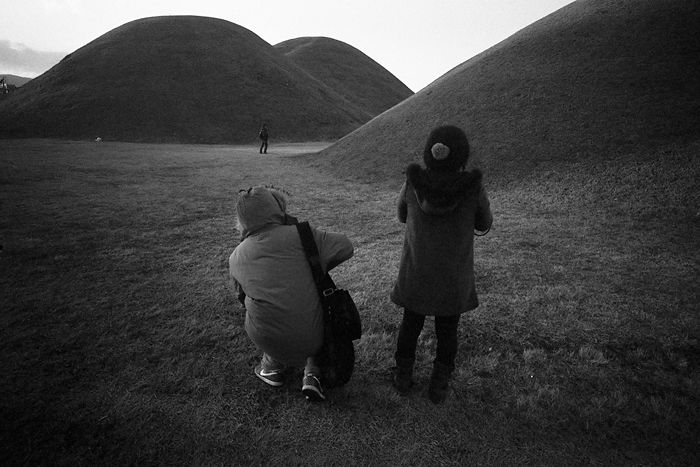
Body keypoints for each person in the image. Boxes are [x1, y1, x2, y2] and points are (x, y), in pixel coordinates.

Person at [390, 125, 493, 404]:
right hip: (452, 276)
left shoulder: (413, 182)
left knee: (410, 324)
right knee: (448, 331)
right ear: (461, 154)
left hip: (417, 270)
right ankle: (438, 386)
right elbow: (484, 222)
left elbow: (401, 215)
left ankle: (402, 377)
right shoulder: (473, 186)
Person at [229, 186, 354, 401]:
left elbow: (241, 297)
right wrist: (316, 267)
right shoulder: (303, 235)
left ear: (242, 220)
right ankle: (313, 372)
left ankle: (270, 367)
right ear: (276, 208)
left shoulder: (236, 256)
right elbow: (346, 247)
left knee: (263, 308)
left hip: (265, 338)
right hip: (312, 337)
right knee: (314, 306)